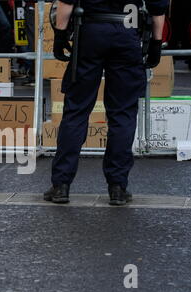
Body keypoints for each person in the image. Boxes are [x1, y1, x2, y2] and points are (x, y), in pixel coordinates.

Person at [45, 0, 169, 206]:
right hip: (127, 33)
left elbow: (66, 2)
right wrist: (156, 43)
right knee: (123, 113)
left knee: (76, 110)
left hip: (90, 32)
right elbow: (158, 7)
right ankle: (118, 187)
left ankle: (61, 185)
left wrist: (60, 35)